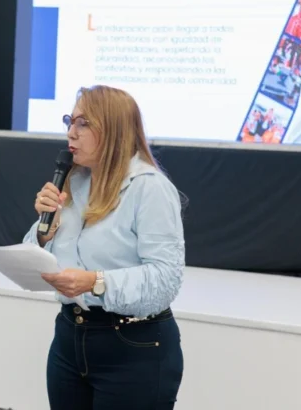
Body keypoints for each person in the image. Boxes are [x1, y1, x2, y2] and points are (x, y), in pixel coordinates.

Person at [22, 85, 185, 409]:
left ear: (114, 130)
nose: (71, 132)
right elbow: (37, 258)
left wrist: (96, 282)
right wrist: (44, 234)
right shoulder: (72, 181)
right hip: (70, 337)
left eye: (84, 123)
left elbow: (166, 280)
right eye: (70, 121)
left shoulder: (149, 188)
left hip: (134, 346)